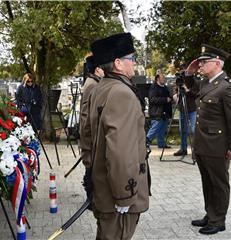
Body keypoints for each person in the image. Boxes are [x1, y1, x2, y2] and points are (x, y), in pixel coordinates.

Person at [82, 32, 150, 240]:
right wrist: (124, 196)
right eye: (132, 59)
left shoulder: (101, 87)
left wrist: (91, 171)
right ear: (119, 63)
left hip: (103, 185)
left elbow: (86, 134)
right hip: (117, 195)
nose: (134, 63)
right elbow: (121, 152)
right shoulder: (121, 93)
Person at [188, 44, 231, 235]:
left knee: (219, 184)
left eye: (205, 62)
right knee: (208, 182)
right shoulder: (207, 83)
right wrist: (189, 73)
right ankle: (210, 214)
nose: (200, 65)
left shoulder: (228, 87)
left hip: (217, 146)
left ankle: (218, 220)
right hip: (203, 144)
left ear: (218, 63)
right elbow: (192, 88)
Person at [79, 55, 104, 168]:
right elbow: (86, 116)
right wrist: (88, 145)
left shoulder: (94, 83)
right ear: (97, 69)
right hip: (90, 142)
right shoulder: (92, 85)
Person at [172, 70, 199, 156]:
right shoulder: (179, 82)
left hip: (192, 109)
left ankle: (195, 150)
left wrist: (188, 90)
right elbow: (176, 92)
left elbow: (196, 94)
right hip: (182, 109)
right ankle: (183, 149)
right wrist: (177, 93)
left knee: (193, 130)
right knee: (182, 130)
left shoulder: (194, 82)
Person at [146, 71, 173, 149]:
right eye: (163, 78)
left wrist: (171, 98)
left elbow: (168, 97)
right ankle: (146, 142)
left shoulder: (165, 87)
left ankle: (161, 143)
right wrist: (165, 99)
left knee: (162, 129)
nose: (164, 79)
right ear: (158, 79)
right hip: (157, 112)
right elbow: (152, 99)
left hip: (165, 112)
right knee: (154, 129)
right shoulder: (154, 87)